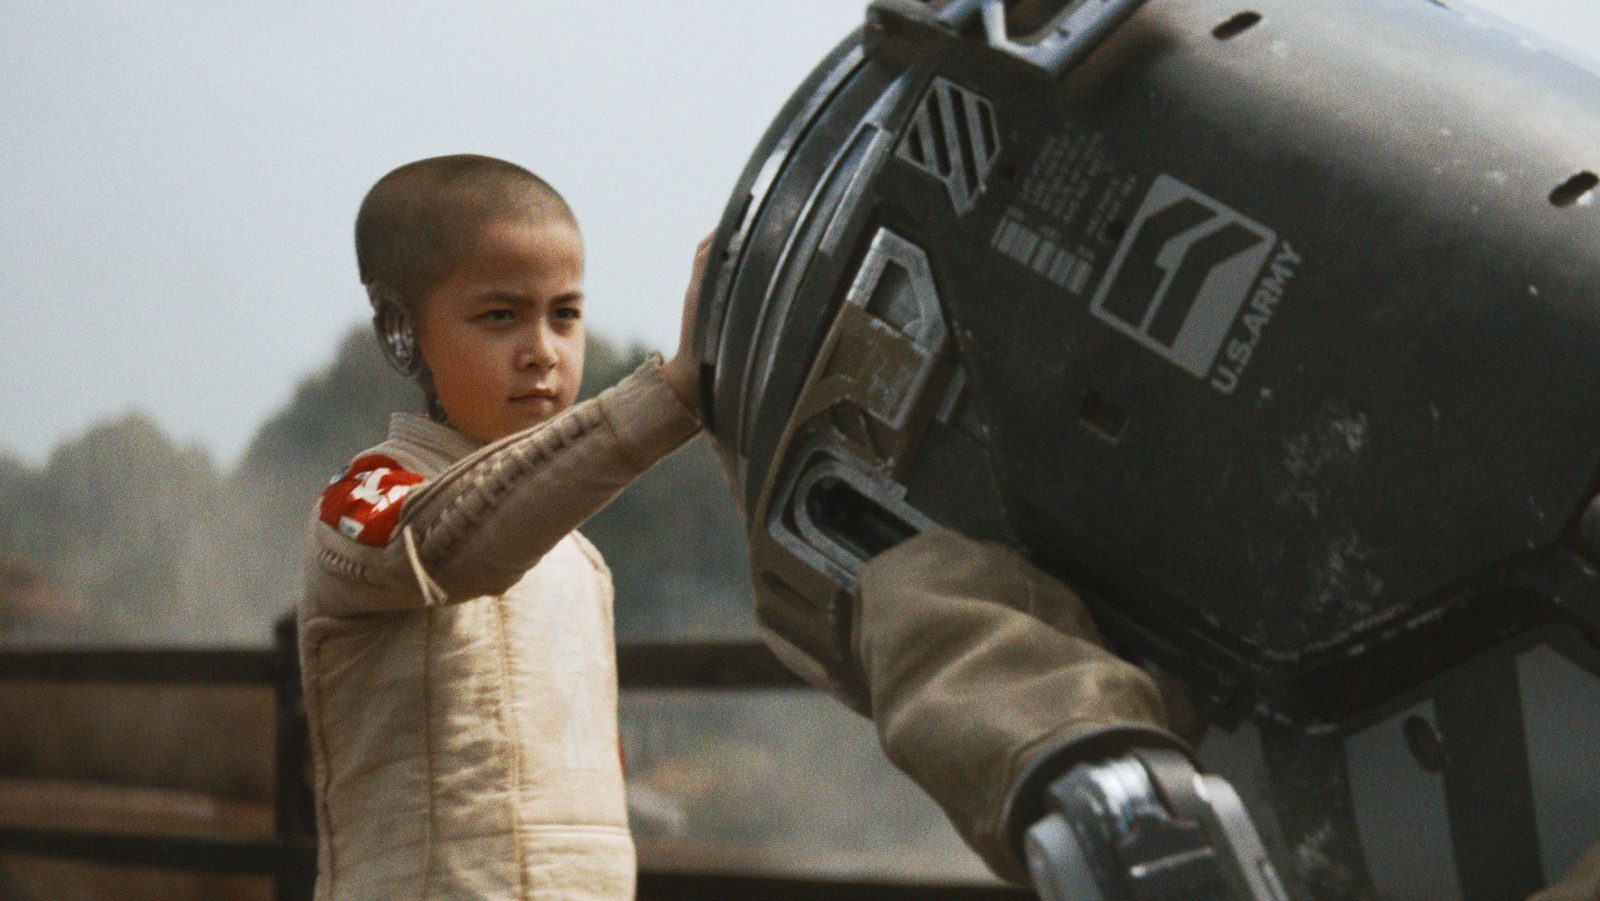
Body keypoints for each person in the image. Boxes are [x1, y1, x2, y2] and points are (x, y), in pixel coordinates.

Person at [296, 154, 704, 900]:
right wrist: (671, 396)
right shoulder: (365, 498)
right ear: (398, 329)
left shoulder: (581, 560)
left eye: (565, 314)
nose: (542, 351)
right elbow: (454, 549)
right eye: (500, 315)